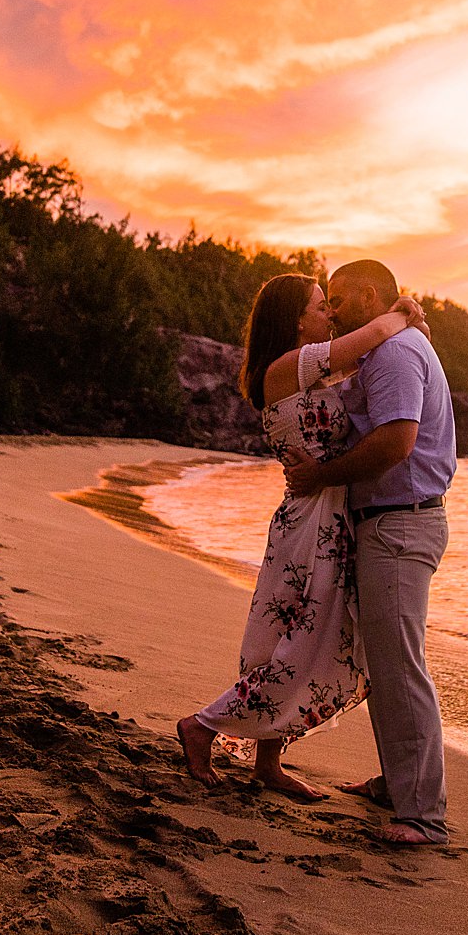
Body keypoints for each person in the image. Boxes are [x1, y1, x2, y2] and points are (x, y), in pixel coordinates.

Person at [177, 272, 429, 801]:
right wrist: (404, 311)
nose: (330, 315)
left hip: (319, 513)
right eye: (321, 306)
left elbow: (371, 371)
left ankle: (266, 763)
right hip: (312, 521)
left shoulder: (306, 374)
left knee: (284, 636)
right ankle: (203, 726)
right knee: (305, 638)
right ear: (295, 319)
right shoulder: (289, 366)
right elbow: (371, 338)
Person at [285, 259, 456, 845]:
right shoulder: (383, 350)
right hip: (387, 523)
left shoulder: (396, 354)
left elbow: (396, 442)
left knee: (400, 666)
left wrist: (321, 476)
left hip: (401, 525)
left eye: (336, 299)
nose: (330, 310)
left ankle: (423, 816)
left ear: (365, 295)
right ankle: (396, 783)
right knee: (386, 662)